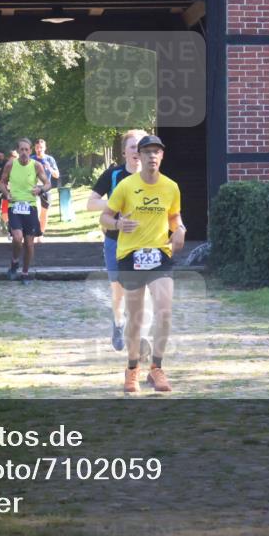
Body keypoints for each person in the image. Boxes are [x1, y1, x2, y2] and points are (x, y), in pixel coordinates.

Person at [101, 135, 185, 393]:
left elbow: (174, 216)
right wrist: (118, 224)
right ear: (139, 155)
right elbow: (105, 217)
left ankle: (156, 368)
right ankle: (132, 369)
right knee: (135, 318)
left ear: (162, 156)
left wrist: (180, 229)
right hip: (131, 255)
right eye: (147, 152)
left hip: (159, 255)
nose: (152, 156)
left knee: (164, 312)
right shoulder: (126, 186)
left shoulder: (171, 187)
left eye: (156, 152)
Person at [89, 129, 149, 354]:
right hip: (115, 239)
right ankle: (118, 321)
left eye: (141, 146)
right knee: (119, 290)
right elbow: (91, 204)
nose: (137, 151)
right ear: (124, 152)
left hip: (143, 240)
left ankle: (140, 334)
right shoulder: (113, 175)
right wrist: (115, 205)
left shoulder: (153, 176)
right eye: (132, 146)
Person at [0, 138, 51, 283]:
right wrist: (6, 193)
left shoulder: (36, 166)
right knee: (17, 238)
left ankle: (25, 273)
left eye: (26, 149)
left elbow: (48, 184)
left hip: (30, 206)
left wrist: (40, 189)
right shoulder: (10, 164)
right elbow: (2, 183)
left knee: (29, 243)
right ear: (18, 151)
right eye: (21, 149)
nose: (23, 152)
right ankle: (15, 261)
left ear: (30, 151)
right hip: (14, 205)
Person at [32, 138, 60, 239]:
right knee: (35, 212)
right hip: (34, 189)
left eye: (41, 147)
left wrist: (50, 168)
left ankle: (41, 234)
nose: (39, 149)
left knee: (44, 213)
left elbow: (57, 175)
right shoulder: (31, 159)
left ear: (45, 148)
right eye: (37, 147)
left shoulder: (50, 159)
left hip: (46, 189)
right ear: (34, 148)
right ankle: (34, 234)